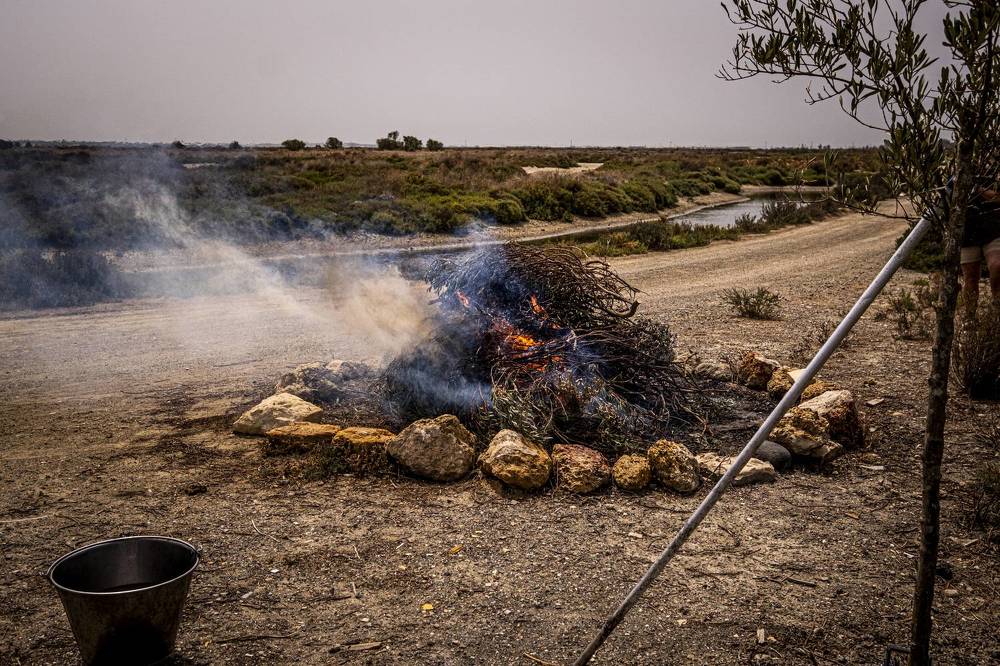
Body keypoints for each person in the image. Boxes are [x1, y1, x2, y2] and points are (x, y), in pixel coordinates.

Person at [960, 181, 1000, 319]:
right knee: (970, 277)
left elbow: (997, 196)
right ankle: (970, 318)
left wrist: (977, 189)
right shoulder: (956, 167)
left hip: (993, 228)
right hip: (967, 230)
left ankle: (997, 312)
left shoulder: (991, 165)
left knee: (997, 266)